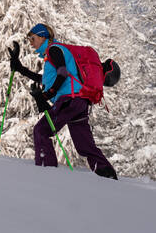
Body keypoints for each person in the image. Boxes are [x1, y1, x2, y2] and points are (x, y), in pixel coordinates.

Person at [8, 23, 118, 179]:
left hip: (69, 100)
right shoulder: (52, 54)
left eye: (32, 39)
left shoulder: (54, 49)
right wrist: (20, 68)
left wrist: (48, 95)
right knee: (84, 145)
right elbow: (47, 80)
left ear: (42, 37)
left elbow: (62, 73)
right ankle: (107, 174)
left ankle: (47, 175)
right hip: (79, 102)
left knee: (41, 131)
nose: (31, 43)